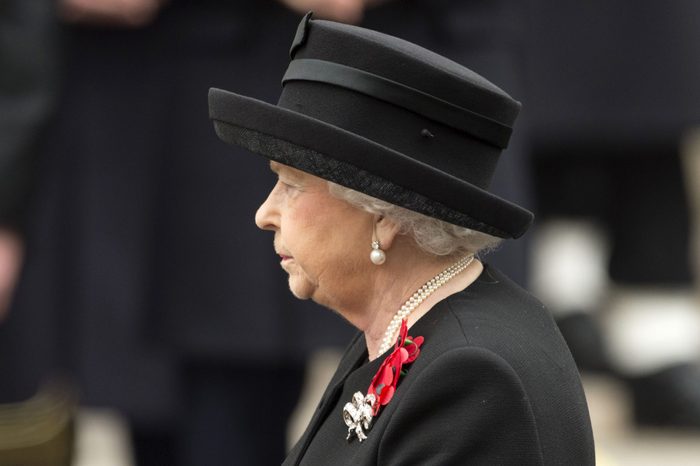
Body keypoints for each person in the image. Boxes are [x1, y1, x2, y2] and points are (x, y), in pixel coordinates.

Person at [209, 14, 594, 465]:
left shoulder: (470, 376)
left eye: (291, 185)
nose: (264, 215)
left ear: (384, 215)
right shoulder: (402, 329)